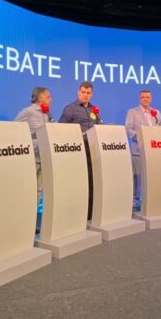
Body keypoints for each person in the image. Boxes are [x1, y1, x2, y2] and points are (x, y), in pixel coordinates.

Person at [58, 81, 100, 219]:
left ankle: (90, 213)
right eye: (83, 92)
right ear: (78, 92)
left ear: (91, 94)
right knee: (80, 183)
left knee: (93, 181)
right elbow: (61, 129)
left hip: (93, 150)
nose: (85, 95)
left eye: (88, 93)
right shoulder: (70, 108)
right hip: (78, 151)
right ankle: (76, 213)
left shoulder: (94, 110)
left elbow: (98, 125)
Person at [14, 87, 53, 210]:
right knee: (28, 189)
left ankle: (33, 219)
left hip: (43, 156)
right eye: (48, 97)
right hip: (31, 157)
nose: (51, 99)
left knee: (38, 190)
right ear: (40, 97)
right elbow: (14, 127)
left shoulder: (46, 113)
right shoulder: (29, 111)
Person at [124, 90, 161, 208]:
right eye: (143, 97)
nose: (145, 99)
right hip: (138, 150)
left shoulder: (156, 112)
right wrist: (141, 137)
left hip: (154, 151)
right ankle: (135, 203)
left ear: (151, 99)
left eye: (148, 97)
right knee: (137, 178)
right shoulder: (132, 112)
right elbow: (128, 129)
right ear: (139, 98)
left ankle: (152, 201)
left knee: (153, 177)